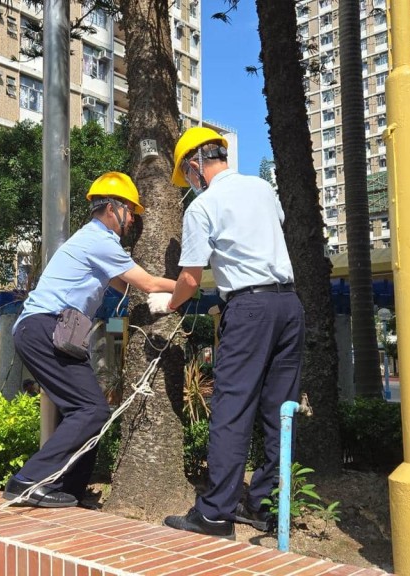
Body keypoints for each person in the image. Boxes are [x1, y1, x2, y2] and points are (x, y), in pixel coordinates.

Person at [148, 127, 305, 538]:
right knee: (280, 410)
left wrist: (170, 302)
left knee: (232, 409)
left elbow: (190, 276)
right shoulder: (262, 188)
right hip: (289, 305)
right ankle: (265, 507)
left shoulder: (203, 207)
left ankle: (215, 513)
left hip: (249, 309)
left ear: (194, 165)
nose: (191, 184)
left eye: (188, 175)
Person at [3, 171, 176, 508]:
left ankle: (69, 489)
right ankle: (26, 481)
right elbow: (148, 284)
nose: (132, 222)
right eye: (130, 212)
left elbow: (124, 285)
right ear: (112, 208)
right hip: (45, 327)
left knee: (83, 412)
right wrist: (186, 284)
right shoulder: (100, 241)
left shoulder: (94, 243)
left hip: (57, 329)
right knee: (91, 410)